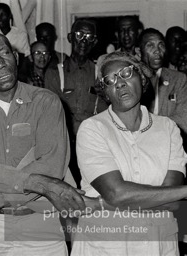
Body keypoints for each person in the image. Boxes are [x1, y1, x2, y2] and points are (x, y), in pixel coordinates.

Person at [0, 32, 86, 256]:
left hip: (39, 224)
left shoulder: (46, 101)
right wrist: (44, 185)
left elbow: (52, 165)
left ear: (16, 57)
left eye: (4, 54)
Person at [71, 51, 187, 256]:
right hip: (106, 244)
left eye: (126, 73)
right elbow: (117, 193)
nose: (119, 83)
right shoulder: (93, 129)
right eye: (110, 80)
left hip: (157, 243)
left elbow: (170, 200)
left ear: (142, 79)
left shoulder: (168, 128)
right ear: (105, 93)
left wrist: (99, 204)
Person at [45, 19, 108, 187]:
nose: (83, 41)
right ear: (70, 37)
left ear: (94, 41)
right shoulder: (54, 73)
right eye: (79, 35)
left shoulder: (100, 74)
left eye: (88, 36)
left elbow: (105, 112)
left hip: (94, 144)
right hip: (65, 145)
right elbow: (52, 116)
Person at [138, 28, 187, 136]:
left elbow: (183, 119)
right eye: (150, 45)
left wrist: (151, 131)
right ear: (138, 51)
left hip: (170, 143)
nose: (157, 50)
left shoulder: (179, 79)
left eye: (161, 45)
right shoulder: (132, 79)